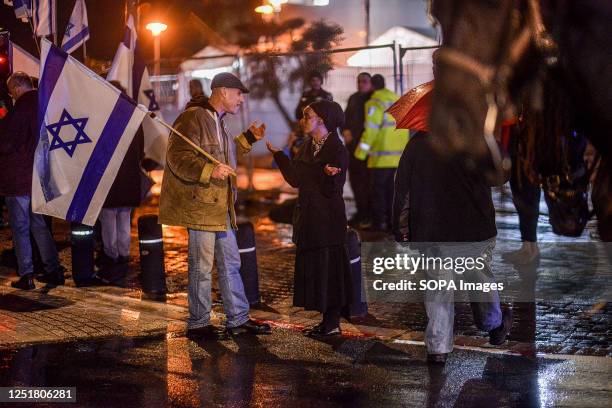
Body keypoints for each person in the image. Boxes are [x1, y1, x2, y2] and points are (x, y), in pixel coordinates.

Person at [159, 72, 271, 339]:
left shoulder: (218, 122)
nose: (241, 100)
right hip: (202, 209)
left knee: (230, 264)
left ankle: (238, 319)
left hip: (222, 208)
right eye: (238, 94)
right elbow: (178, 157)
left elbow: (223, 154)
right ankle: (199, 323)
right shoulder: (193, 117)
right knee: (201, 267)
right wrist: (208, 170)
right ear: (222, 91)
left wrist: (248, 140)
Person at [392, 129, 513, 364]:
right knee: (480, 280)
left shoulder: (417, 144)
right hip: (474, 227)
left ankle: (438, 348)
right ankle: (494, 324)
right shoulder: (477, 138)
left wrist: (402, 227)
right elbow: (501, 175)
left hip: (434, 230)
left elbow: (402, 190)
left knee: (438, 287)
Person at [267, 100, 353, 337]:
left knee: (329, 269)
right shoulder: (307, 146)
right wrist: (279, 156)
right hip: (308, 217)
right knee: (315, 269)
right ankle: (326, 321)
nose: (303, 121)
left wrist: (329, 176)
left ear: (322, 120)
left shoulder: (337, 149)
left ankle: (332, 322)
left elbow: (332, 189)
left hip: (327, 219)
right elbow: (296, 179)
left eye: (308, 116)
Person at [0, 72, 63, 289]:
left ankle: (26, 274)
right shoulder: (44, 103)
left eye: (11, 92)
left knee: (20, 227)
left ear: (17, 88)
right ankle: (53, 269)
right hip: (40, 177)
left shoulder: (21, 108)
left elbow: (6, 143)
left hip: (19, 180)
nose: (11, 96)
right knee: (39, 225)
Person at [96, 81, 146, 267]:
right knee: (124, 217)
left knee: (108, 218)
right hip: (128, 177)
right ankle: (124, 252)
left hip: (108, 178)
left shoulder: (102, 116)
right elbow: (141, 149)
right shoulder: (133, 116)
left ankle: (112, 254)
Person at [354, 74, 409, 231]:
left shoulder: (374, 102)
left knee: (378, 192)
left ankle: (380, 224)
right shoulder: (397, 98)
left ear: (372, 85)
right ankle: (393, 224)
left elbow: (371, 131)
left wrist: (360, 154)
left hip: (380, 158)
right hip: (397, 156)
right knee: (392, 192)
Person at [342, 72, 373, 227]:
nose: (361, 84)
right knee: (355, 181)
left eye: (364, 81)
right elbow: (344, 119)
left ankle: (368, 214)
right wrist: (345, 130)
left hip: (367, 150)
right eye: (359, 81)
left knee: (367, 183)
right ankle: (360, 212)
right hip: (353, 148)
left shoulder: (373, 99)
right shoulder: (354, 98)